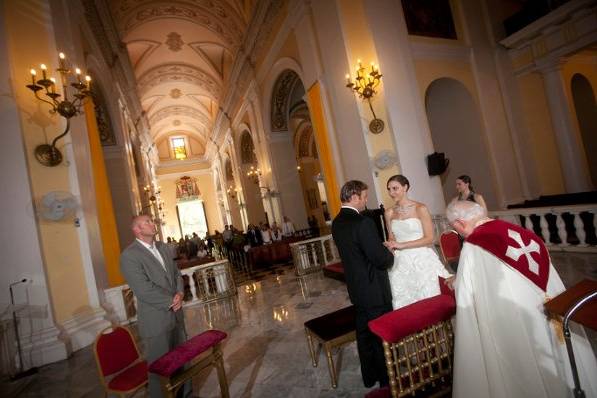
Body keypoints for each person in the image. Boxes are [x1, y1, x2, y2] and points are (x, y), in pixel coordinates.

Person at [446, 201, 597, 398]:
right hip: (554, 310)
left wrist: (455, 284)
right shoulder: (522, 232)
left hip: (517, 324)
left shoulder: (475, 243)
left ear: (459, 223)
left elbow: (468, 293)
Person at [331, 180, 395, 388]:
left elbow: (355, 253)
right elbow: (380, 259)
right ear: (354, 197)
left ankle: (370, 377)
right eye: (365, 197)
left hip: (357, 289)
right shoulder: (362, 223)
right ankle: (387, 380)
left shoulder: (338, 222)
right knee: (380, 336)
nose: (367, 201)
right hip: (374, 289)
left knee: (364, 334)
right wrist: (389, 252)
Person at [120, 215, 190, 397]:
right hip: (156, 319)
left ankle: (185, 392)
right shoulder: (130, 255)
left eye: (152, 220)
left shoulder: (163, 247)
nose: (153, 224)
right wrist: (171, 301)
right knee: (160, 366)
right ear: (137, 229)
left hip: (176, 314)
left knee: (182, 358)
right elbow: (143, 289)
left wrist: (180, 293)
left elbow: (176, 274)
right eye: (148, 222)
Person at [383, 175, 452, 309]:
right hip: (400, 261)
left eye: (395, 188)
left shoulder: (421, 208)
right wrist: (390, 244)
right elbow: (392, 236)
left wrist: (402, 245)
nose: (391, 193)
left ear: (405, 187)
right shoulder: (389, 212)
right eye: (389, 189)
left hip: (422, 258)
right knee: (406, 300)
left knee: (429, 298)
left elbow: (430, 238)